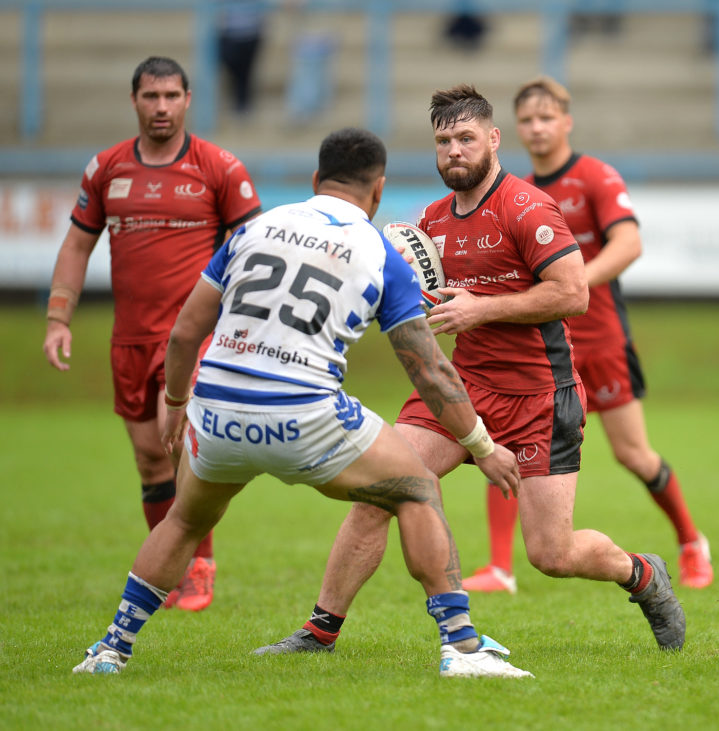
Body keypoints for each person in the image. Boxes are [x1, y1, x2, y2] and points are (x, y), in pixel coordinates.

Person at [72, 127, 531, 679]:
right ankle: (462, 649)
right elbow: (430, 371)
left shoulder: (256, 228)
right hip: (303, 414)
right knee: (417, 488)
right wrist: (481, 445)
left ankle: (110, 650)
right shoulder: (378, 251)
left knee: (184, 520)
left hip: (218, 408)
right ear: (378, 191)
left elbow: (185, 332)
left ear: (316, 180)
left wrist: (174, 400)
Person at [254, 84, 686, 657]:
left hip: (540, 395)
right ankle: (319, 632)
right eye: (443, 141)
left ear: (493, 139)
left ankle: (642, 575)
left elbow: (574, 293)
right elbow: (414, 298)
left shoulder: (527, 207)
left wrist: (482, 308)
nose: (454, 150)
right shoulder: (429, 221)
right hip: (463, 390)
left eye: (465, 138)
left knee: (551, 555)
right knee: (379, 490)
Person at [462, 77, 713, 594]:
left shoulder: (594, 176)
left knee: (633, 455)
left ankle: (691, 542)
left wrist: (571, 281)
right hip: (541, 353)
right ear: (511, 131)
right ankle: (499, 567)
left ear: (566, 122)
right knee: (503, 444)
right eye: (527, 120)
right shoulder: (514, 191)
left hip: (600, 345)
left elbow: (629, 243)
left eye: (546, 118)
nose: (537, 128)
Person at [43, 56, 262, 612]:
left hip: (191, 339)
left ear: (188, 99)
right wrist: (57, 317)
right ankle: (174, 565)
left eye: (171, 96)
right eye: (150, 97)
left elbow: (254, 252)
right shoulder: (108, 169)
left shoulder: (220, 168)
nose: (161, 107)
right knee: (148, 459)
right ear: (135, 101)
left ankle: (199, 561)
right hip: (129, 340)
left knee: (181, 441)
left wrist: (247, 324)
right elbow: (76, 245)